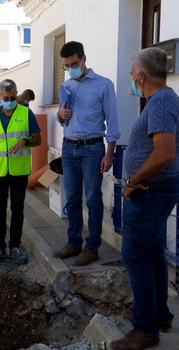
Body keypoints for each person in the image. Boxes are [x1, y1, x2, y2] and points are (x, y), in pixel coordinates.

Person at [109, 47, 179, 350]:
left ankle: (145, 329)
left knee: (136, 255)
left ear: (141, 76)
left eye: (131, 74)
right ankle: (159, 313)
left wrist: (133, 180)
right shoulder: (162, 101)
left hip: (150, 189)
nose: (131, 78)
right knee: (152, 251)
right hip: (156, 187)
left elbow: (165, 152)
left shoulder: (160, 104)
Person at [53, 41, 120, 266]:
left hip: (92, 149)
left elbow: (113, 122)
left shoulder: (104, 85)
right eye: (66, 66)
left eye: (74, 63)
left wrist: (109, 153)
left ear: (84, 59)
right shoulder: (68, 86)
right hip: (69, 147)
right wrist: (60, 114)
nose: (70, 68)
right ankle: (73, 244)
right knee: (71, 198)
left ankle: (92, 248)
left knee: (92, 199)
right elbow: (62, 119)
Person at [0, 79, 41, 265]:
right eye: (6, 98)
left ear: (17, 93)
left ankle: (14, 247)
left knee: (17, 209)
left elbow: (37, 140)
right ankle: (0, 248)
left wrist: (24, 141)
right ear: (0, 96)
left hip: (19, 172)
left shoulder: (26, 113)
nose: (10, 100)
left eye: (13, 97)